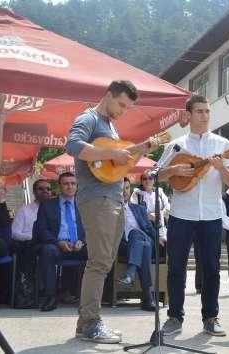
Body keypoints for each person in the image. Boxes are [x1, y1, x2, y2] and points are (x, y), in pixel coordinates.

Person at [66, 80, 159, 343]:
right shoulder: (90, 117)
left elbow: (118, 168)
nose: (122, 111)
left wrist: (140, 150)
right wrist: (112, 152)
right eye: (120, 104)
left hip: (113, 199)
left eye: (127, 108)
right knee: (98, 263)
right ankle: (90, 324)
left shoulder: (111, 127)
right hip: (97, 199)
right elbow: (72, 145)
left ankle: (87, 324)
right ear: (107, 95)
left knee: (104, 262)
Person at [158, 94, 229, 337]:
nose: (204, 115)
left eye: (207, 111)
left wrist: (221, 167)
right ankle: (174, 317)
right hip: (181, 214)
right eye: (199, 111)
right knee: (176, 268)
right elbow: (155, 175)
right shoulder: (176, 144)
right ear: (189, 115)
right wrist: (174, 169)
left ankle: (211, 317)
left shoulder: (223, 144)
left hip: (212, 214)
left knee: (212, 268)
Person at [34, 172, 87, 312]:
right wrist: (58, 242)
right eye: (66, 183)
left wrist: (82, 241)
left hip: (79, 246)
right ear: (59, 186)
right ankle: (50, 296)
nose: (70, 186)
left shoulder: (84, 205)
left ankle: (92, 299)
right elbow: (42, 230)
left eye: (73, 183)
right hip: (57, 246)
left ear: (77, 186)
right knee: (48, 251)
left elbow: (91, 228)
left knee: (99, 251)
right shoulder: (47, 205)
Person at [11, 179, 51, 308]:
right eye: (41, 188)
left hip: (49, 244)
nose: (45, 191)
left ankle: (60, 292)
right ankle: (25, 293)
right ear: (34, 191)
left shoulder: (54, 211)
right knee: (26, 247)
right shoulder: (25, 210)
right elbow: (15, 233)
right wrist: (32, 237)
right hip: (28, 244)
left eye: (48, 189)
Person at [118, 177, 156, 311]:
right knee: (143, 246)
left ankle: (130, 273)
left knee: (136, 234)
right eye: (121, 188)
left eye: (127, 188)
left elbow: (151, 231)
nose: (124, 191)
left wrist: (161, 237)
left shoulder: (139, 209)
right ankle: (147, 298)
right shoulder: (111, 210)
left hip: (145, 239)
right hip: (124, 245)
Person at [130, 170, 170, 245]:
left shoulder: (159, 192)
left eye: (150, 178)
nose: (147, 181)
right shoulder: (136, 194)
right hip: (144, 228)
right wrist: (149, 216)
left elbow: (168, 208)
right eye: (145, 179)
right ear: (141, 181)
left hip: (161, 225)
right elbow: (134, 212)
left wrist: (158, 215)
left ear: (154, 180)